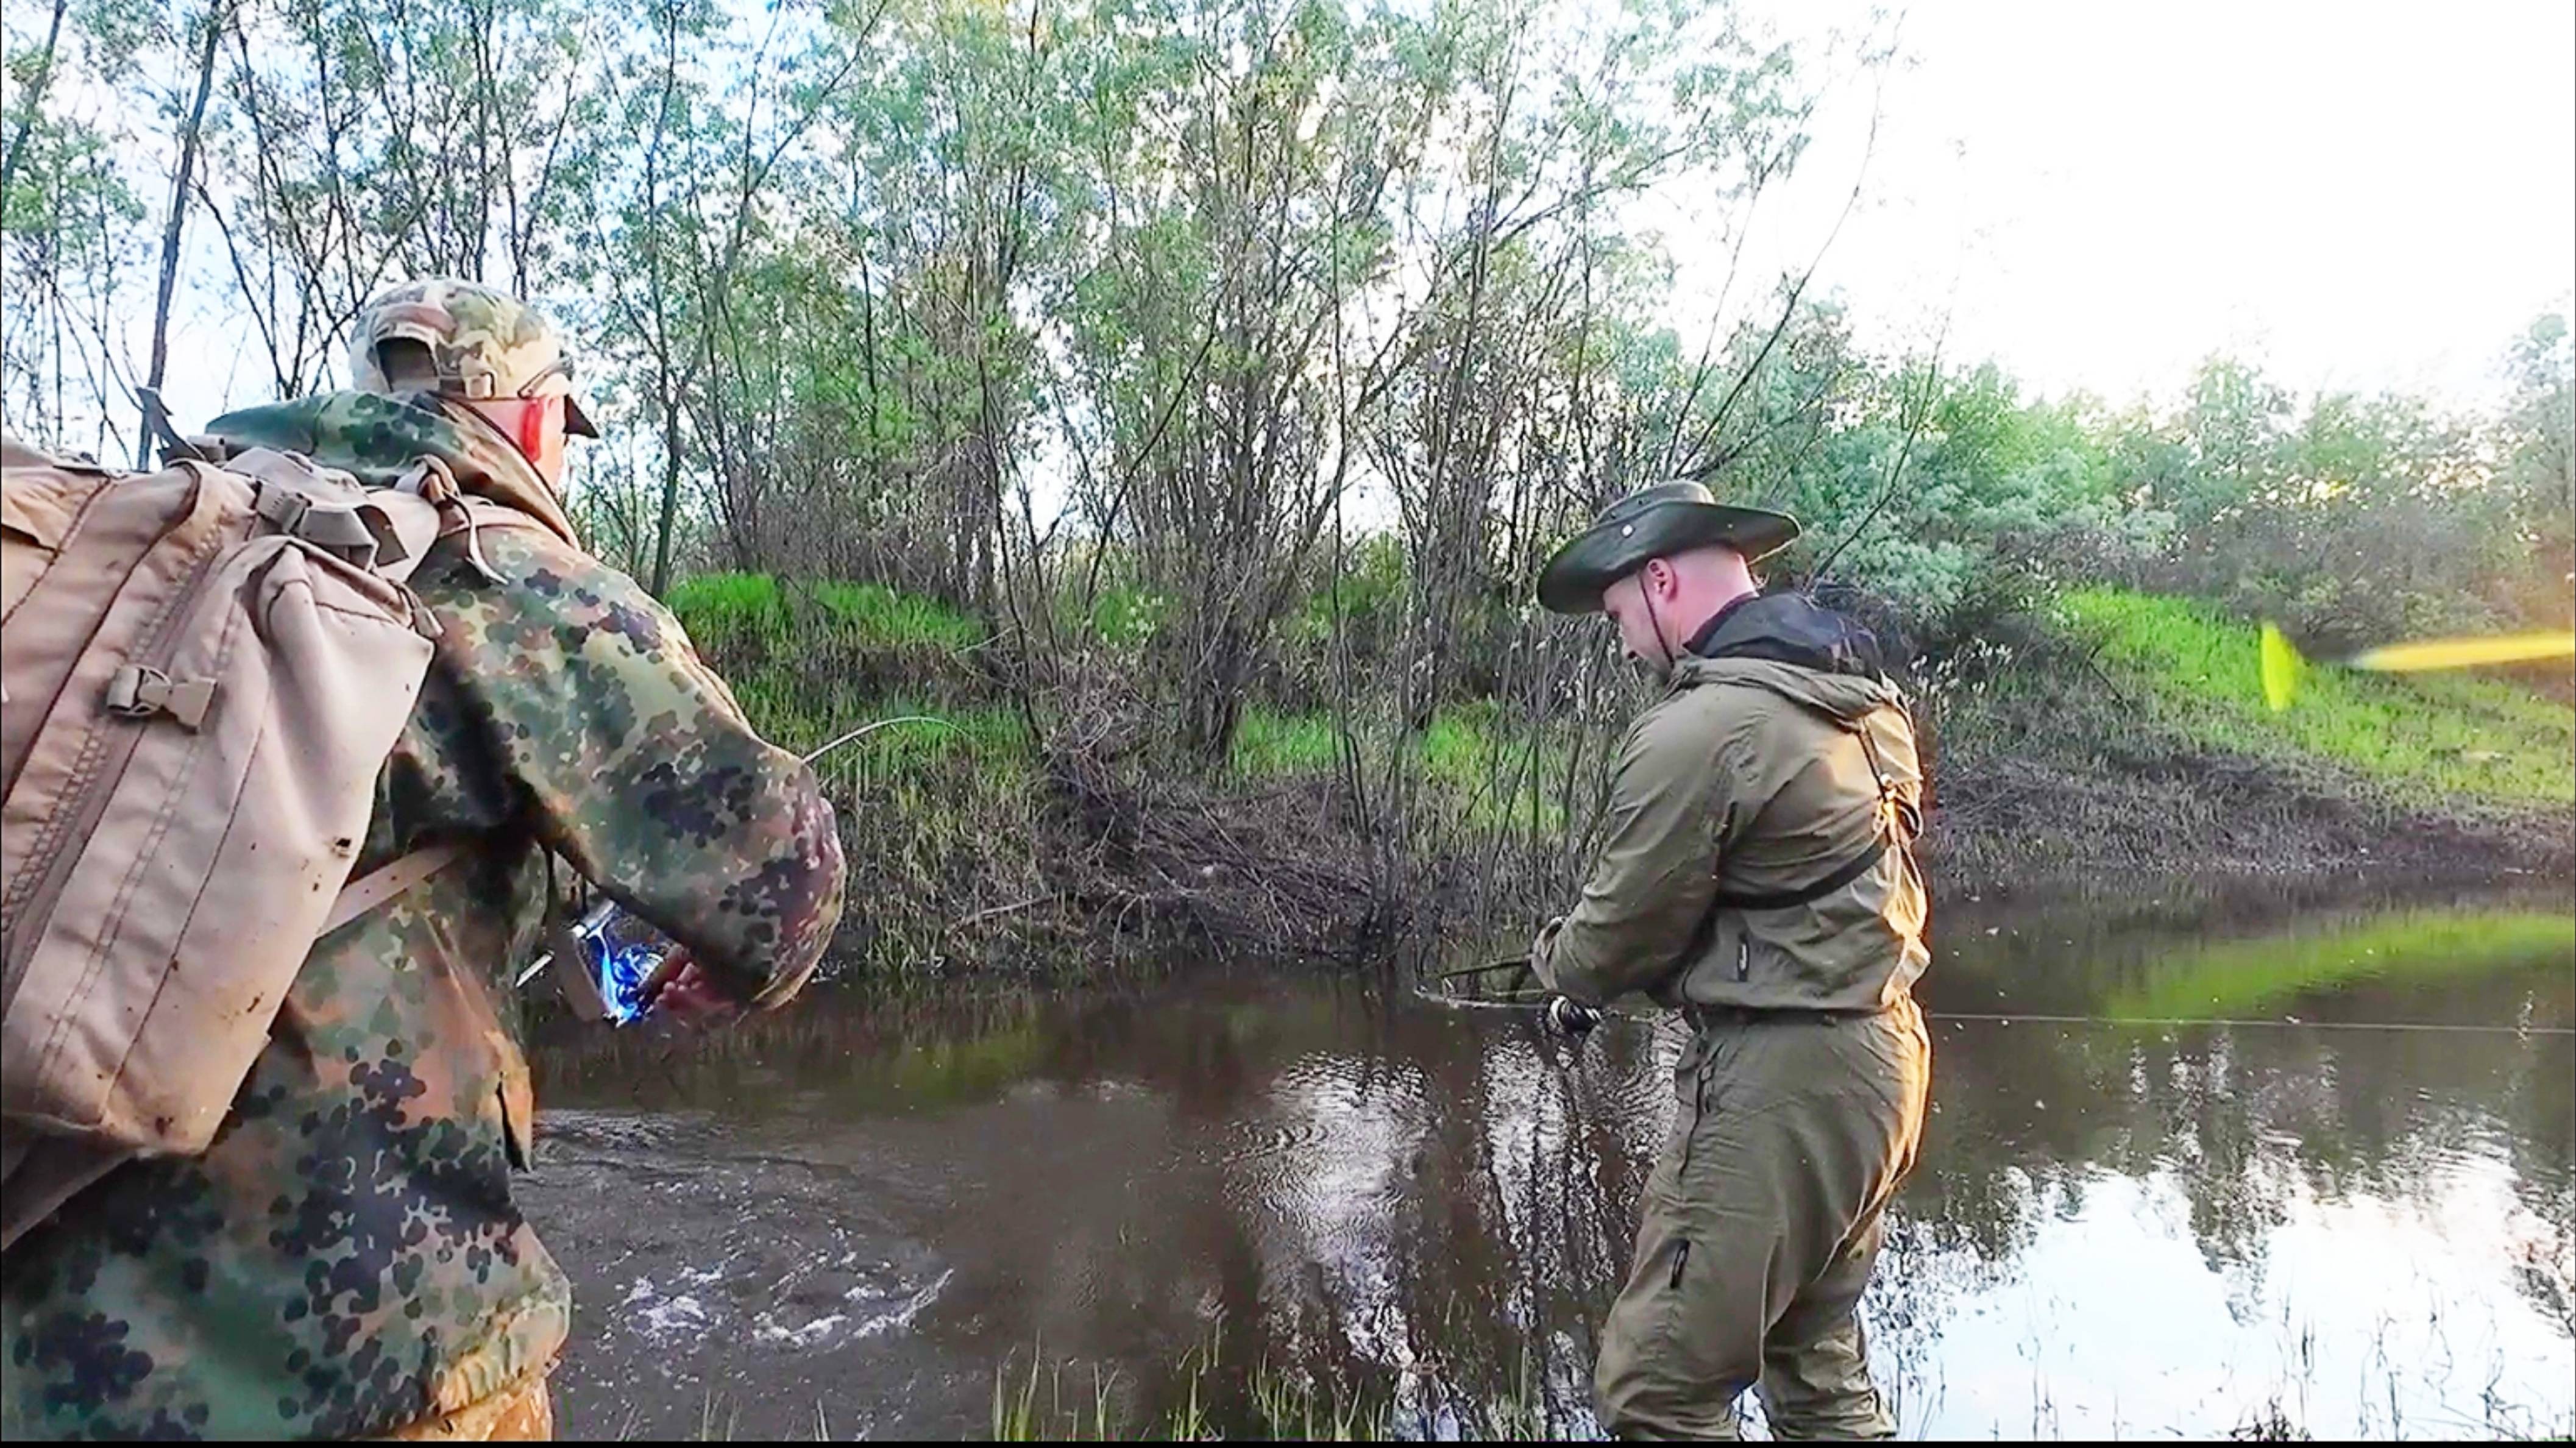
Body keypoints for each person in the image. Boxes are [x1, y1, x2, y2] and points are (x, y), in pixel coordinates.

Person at [0, 280, 848, 1441]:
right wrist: (726, 973)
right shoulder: (513, 586)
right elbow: (779, 886)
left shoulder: (167, 537)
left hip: (46, 1349)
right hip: (364, 1350)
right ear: (536, 418)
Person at [1527, 480, 1932, 1441]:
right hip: (1884, 1068)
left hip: (1779, 1084)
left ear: (1661, 581)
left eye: (1621, 611)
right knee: (1816, 1375)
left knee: (1656, 1395)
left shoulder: (1703, 727)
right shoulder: (1863, 704)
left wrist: (1559, 971)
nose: (1623, 641)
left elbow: (1615, 937)